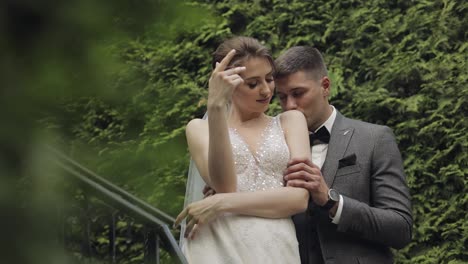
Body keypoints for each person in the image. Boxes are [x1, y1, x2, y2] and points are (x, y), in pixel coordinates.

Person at [174, 36, 311, 263]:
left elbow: (298, 199)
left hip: (276, 246)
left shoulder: (291, 121)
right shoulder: (199, 129)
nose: (266, 91)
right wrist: (216, 107)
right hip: (218, 244)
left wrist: (220, 203)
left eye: (269, 79)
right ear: (228, 83)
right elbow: (225, 185)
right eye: (253, 84)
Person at [275, 46, 413, 264]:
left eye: (298, 93)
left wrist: (331, 200)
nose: (290, 106)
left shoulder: (374, 139)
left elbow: (400, 228)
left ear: (325, 87)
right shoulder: (273, 146)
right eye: (282, 97)